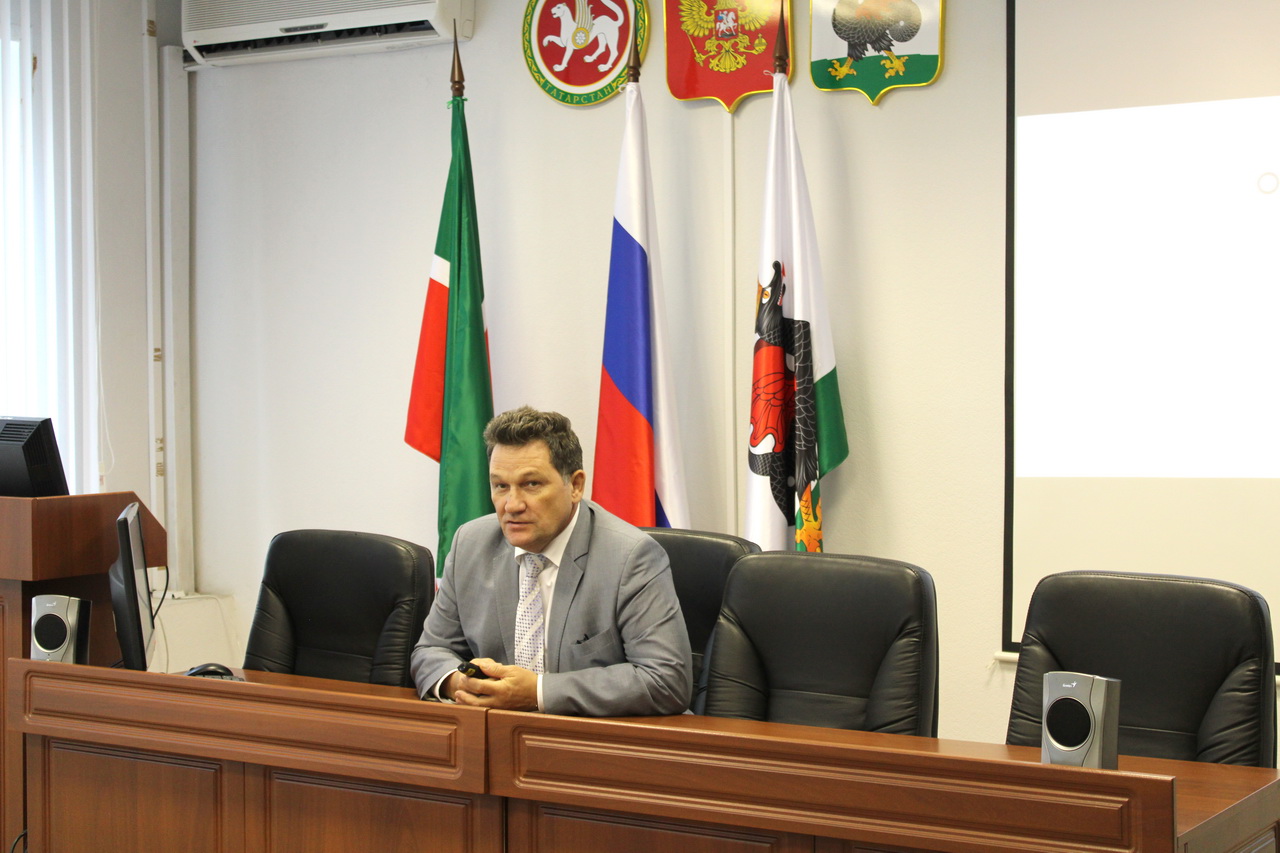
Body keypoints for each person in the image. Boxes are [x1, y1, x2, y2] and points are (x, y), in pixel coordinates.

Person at [410, 406, 692, 716]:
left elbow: (666, 680)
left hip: (597, 738)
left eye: (531, 484)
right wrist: (458, 683)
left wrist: (537, 692)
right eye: (501, 486)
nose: (512, 505)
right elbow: (431, 651)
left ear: (575, 486)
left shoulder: (631, 557)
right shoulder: (471, 544)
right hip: (497, 733)